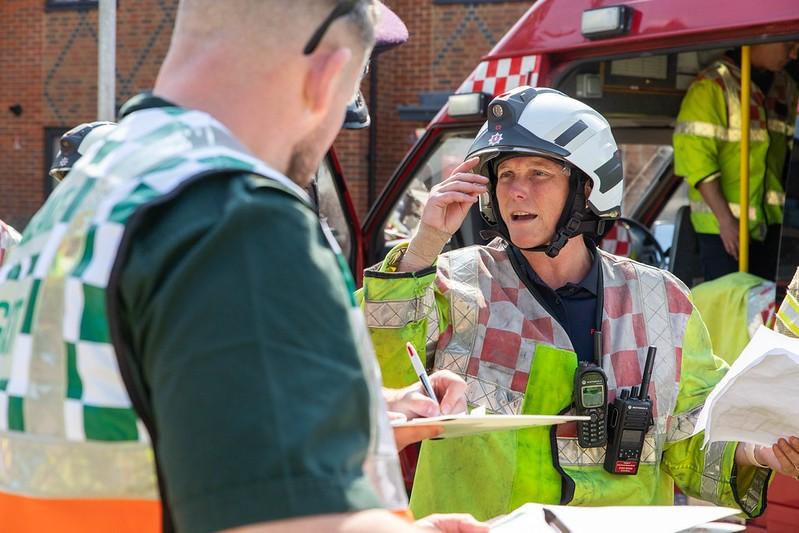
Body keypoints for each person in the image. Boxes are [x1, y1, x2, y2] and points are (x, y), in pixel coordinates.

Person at [0, 2, 485, 532]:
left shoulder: (89, 195)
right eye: (350, 96)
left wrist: (365, 408)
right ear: (325, 75)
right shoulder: (239, 218)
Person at [360, 86, 799, 520]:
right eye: (506, 175)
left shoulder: (661, 301)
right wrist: (425, 244)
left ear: (588, 188)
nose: (516, 191)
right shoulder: (451, 285)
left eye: (538, 174)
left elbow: (689, 434)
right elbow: (379, 380)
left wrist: (760, 451)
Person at [674, 42, 799, 281]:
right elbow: (697, 160)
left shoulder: (786, 86)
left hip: (772, 226)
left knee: (765, 311)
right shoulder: (712, 86)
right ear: (764, 39)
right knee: (730, 307)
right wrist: (725, 220)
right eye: (790, 45)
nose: (794, 55)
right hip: (723, 231)